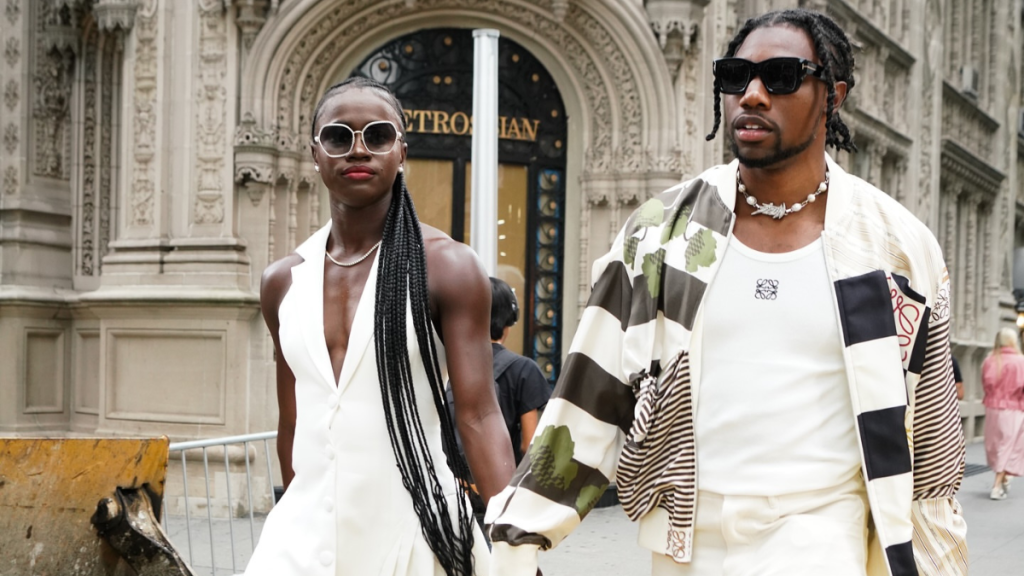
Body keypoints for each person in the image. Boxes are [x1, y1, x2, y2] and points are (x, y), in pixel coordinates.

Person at [486, 9, 966, 576]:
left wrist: (936, 561)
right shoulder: (664, 232)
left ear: (833, 96)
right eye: (735, 76)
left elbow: (933, 443)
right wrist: (514, 543)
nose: (754, 94)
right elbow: (590, 396)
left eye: (782, 76)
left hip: (821, 536)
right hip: (685, 539)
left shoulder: (895, 248)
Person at [248, 77, 514, 576]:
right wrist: (292, 514)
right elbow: (293, 420)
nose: (358, 150)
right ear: (315, 153)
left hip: (412, 532)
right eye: (338, 137)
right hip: (300, 542)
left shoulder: (448, 267)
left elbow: (479, 415)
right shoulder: (282, 281)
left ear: (401, 152)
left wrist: (518, 538)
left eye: (377, 135)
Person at [486, 278, 552, 464]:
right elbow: (529, 446)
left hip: (451, 484)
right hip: (499, 484)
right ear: (510, 318)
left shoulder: (452, 363)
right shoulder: (524, 369)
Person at [980, 327, 1024, 500]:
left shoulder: (990, 360)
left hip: (992, 407)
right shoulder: (1020, 361)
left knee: (995, 444)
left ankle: (1003, 477)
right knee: (1009, 444)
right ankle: (997, 485)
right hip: (1014, 408)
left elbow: (985, 383)